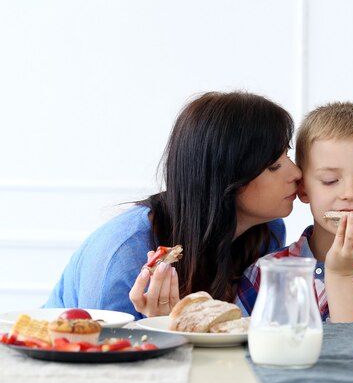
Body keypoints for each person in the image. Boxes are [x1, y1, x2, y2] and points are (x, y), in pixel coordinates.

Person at [44, 91, 302, 319]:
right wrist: (161, 328)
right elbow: (102, 360)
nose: (296, 173)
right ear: (225, 176)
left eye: (287, 155)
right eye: (274, 166)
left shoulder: (267, 233)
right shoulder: (125, 254)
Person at [236, 102, 353, 322]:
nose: (349, 194)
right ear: (302, 188)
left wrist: (342, 275)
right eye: (330, 181)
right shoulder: (264, 275)